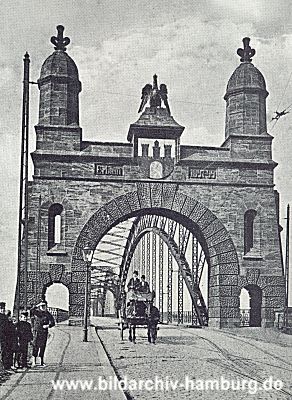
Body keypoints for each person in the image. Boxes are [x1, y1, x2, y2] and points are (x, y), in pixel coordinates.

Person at [31, 300, 55, 367]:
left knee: (42, 346)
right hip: (37, 331)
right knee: (35, 346)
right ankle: (34, 361)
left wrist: (48, 325)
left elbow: (53, 322)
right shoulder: (36, 312)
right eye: (42, 306)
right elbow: (31, 310)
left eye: (44, 306)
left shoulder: (47, 314)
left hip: (44, 332)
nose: (43, 307)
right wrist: (37, 305)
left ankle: (41, 361)